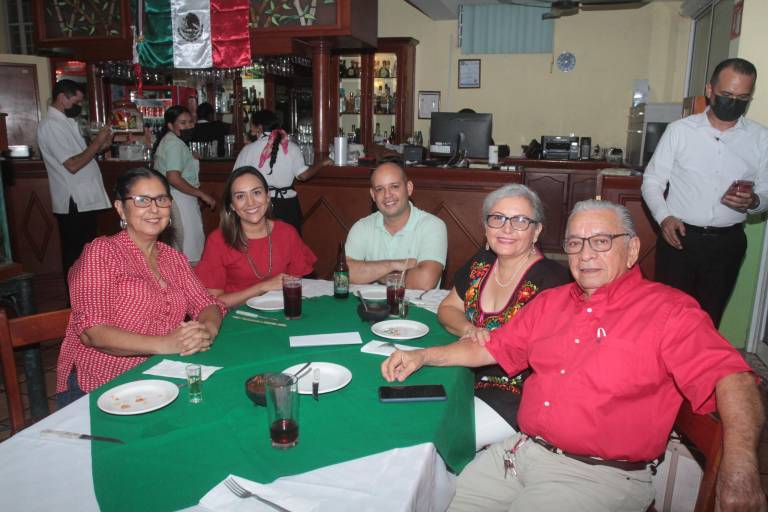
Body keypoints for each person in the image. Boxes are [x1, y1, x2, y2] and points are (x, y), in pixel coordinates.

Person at [382, 200, 766, 512]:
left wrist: (741, 467)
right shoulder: (552, 303)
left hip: (597, 475)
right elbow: (489, 346)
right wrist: (423, 356)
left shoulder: (668, 311)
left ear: (631, 249)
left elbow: (733, 376)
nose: (586, 255)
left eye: (601, 241)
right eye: (575, 243)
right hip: (519, 453)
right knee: (429, 502)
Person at [55, 168, 225, 405]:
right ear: (120, 208)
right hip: (103, 385)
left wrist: (206, 331)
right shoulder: (102, 252)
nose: (154, 209)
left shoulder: (173, 258)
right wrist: (167, 343)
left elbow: (207, 304)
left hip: (159, 376)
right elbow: (93, 332)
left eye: (161, 199)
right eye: (141, 200)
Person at [641, 58, 768, 327]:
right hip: (680, 238)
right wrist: (664, 218)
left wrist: (754, 201)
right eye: (727, 95)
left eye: (743, 97)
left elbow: (766, 193)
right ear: (710, 90)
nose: (734, 102)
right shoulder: (680, 131)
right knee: (668, 316)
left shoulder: (760, 138)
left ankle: (699, 369)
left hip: (727, 243)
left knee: (709, 318)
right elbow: (652, 180)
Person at [437, 184, 569, 440]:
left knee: (442, 437)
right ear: (486, 226)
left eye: (520, 220)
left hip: (512, 394)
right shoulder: (481, 263)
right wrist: (468, 328)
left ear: (537, 230)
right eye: (498, 218)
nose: (507, 229)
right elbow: (448, 307)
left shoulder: (553, 282)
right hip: (460, 376)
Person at [195, 166, 317, 307]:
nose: (251, 202)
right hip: (236, 317)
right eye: (240, 196)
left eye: (256, 193)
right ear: (232, 206)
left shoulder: (287, 233)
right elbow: (212, 302)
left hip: (280, 313)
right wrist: (262, 287)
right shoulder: (218, 241)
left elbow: (296, 286)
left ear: (268, 196)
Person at [37, 79, 113, 278]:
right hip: (73, 199)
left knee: (87, 253)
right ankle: (74, 299)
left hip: (84, 198)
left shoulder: (67, 123)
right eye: (76, 102)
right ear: (62, 97)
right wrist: (96, 143)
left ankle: (87, 293)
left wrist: (102, 145)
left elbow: (83, 156)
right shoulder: (51, 126)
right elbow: (72, 165)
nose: (79, 107)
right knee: (76, 255)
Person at [345, 160, 448, 290]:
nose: (387, 195)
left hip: (416, 308)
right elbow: (345, 273)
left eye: (394, 186)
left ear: (409, 188)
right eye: (380, 189)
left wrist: (374, 274)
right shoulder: (361, 227)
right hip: (369, 306)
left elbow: (424, 281)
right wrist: (394, 265)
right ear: (373, 195)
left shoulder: (433, 226)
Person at [233, 109, 323, 231]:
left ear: (259, 127)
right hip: (287, 205)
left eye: (251, 125)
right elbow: (303, 176)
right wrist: (323, 163)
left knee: (261, 244)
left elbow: (235, 180)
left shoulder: (248, 150)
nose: (250, 129)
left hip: (259, 204)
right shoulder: (291, 147)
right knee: (290, 245)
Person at [153, 105, 217, 263]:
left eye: (190, 122)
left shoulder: (171, 140)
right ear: (170, 125)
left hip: (172, 197)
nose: (188, 126)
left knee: (179, 247)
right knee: (189, 250)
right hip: (180, 199)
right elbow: (173, 177)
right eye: (183, 123)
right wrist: (202, 194)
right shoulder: (175, 144)